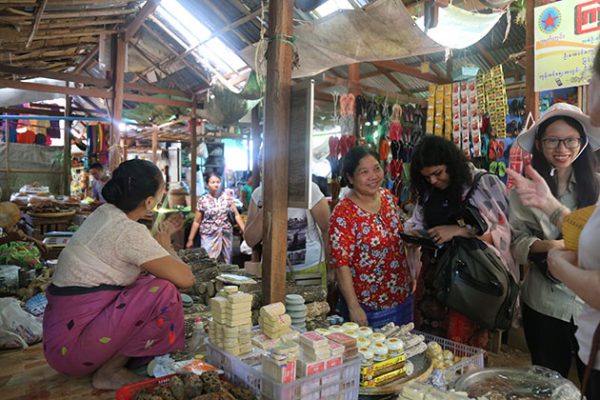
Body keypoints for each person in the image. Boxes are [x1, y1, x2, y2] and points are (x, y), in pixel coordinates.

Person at [42, 159, 195, 390]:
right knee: (162, 290)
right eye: (162, 192)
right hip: (73, 349)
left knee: (146, 280)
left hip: (59, 342)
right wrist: (167, 246)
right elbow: (186, 279)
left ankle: (114, 361)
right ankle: (110, 371)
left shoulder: (105, 213)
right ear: (150, 201)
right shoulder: (128, 231)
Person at [507, 103, 600, 380]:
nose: (562, 149)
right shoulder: (522, 191)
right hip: (544, 304)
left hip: (589, 302)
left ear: (582, 143)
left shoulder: (597, 186)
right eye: (552, 140)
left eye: (570, 140)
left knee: (591, 380)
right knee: (547, 381)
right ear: (539, 143)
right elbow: (516, 242)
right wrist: (550, 247)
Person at [405, 136, 516, 347]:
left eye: (438, 173)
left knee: (463, 344)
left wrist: (459, 231)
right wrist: (417, 235)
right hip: (433, 277)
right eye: (427, 177)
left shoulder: (483, 183)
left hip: (470, 277)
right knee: (429, 343)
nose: (433, 181)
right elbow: (418, 221)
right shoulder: (429, 190)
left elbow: (504, 234)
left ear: (452, 164)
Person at [329, 146, 412, 328]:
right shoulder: (343, 213)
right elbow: (340, 264)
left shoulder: (387, 197)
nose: (373, 176)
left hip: (401, 295)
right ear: (350, 177)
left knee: (403, 351)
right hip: (368, 304)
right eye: (364, 172)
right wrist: (353, 307)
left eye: (376, 168)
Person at [244, 180, 331, 285]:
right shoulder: (259, 194)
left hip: (309, 269)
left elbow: (327, 229)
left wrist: (331, 268)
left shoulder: (309, 189)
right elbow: (250, 239)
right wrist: (269, 201)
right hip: (272, 271)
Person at [186, 172, 245, 263]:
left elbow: (237, 215)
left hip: (225, 234)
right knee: (209, 261)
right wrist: (190, 239)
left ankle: (225, 277)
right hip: (208, 235)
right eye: (213, 182)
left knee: (226, 261)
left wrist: (244, 231)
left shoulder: (227, 198)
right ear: (207, 184)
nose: (216, 185)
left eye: (218, 182)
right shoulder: (203, 200)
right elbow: (197, 221)